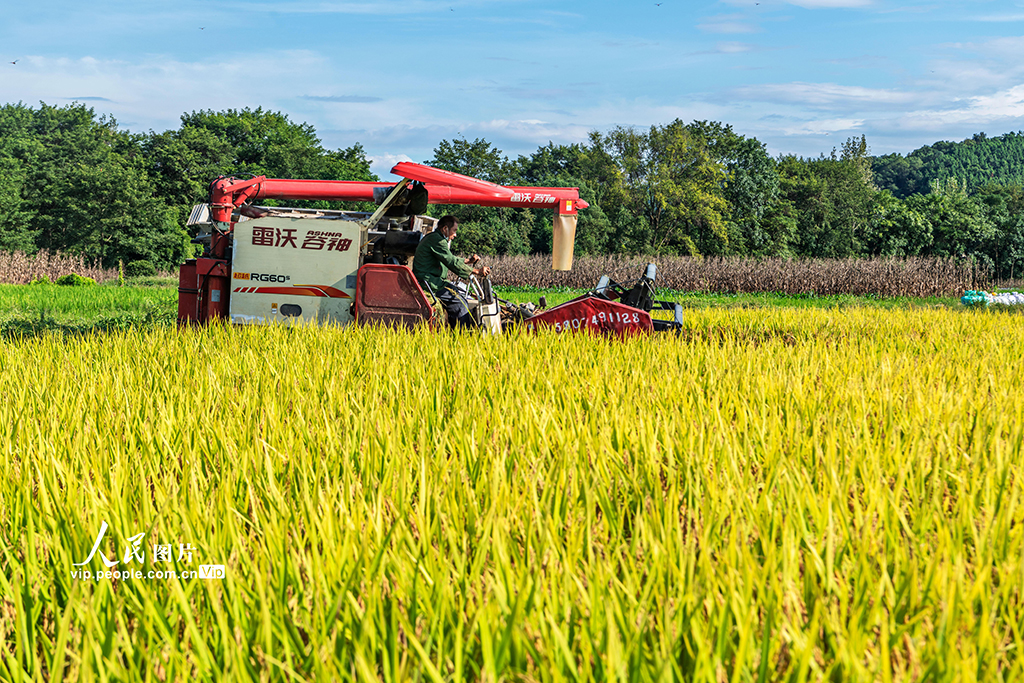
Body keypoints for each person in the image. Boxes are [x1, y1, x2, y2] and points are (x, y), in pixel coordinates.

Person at [412, 216, 491, 327]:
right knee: (460, 303)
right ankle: (462, 334)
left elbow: (450, 258)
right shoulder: (437, 240)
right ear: (445, 229)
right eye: (454, 231)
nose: (455, 235)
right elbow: (451, 262)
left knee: (457, 292)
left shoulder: (434, 238)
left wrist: (468, 261)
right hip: (429, 282)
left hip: (433, 280)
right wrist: (476, 271)